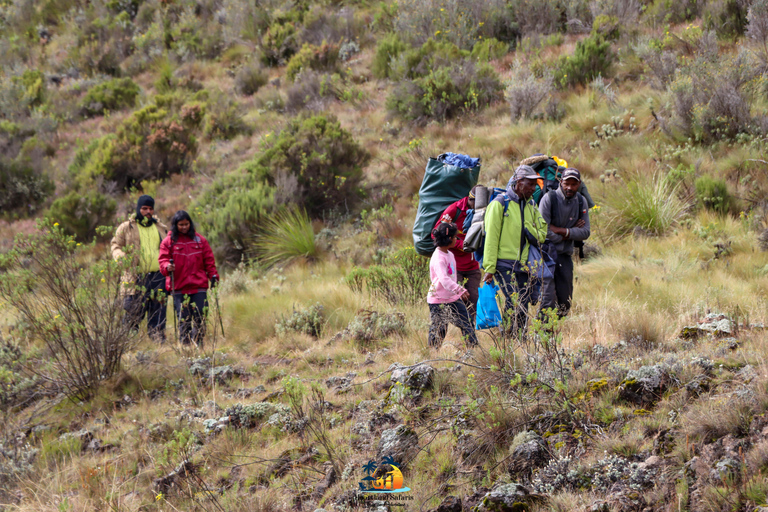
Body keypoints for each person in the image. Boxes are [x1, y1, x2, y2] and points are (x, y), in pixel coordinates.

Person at [482, 165, 548, 339]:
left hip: (524, 264)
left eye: (536, 185)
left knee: (523, 302)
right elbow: (491, 238)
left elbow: (542, 234)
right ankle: (507, 337)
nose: (534, 189)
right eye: (531, 184)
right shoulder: (499, 204)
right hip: (503, 263)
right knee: (515, 299)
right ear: (519, 183)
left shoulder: (532, 205)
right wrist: (489, 267)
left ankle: (518, 338)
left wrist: (529, 230)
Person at [111, 195, 169, 342]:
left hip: (158, 277)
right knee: (133, 313)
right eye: (144, 208)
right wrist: (121, 258)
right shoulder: (127, 227)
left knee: (158, 313)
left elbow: (169, 247)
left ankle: (158, 344)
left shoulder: (160, 227)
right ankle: (127, 344)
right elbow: (115, 245)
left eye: (150, 208)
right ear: (138, 209)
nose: (147, 211)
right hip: (136, 277)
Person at [158, 210, 219, 347]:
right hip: (179, 287)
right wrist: (167, 267)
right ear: (175, 225)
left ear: (190, 224)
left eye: (186, 224)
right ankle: (185, 346)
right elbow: (162, 261)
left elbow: (209, 260)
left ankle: (199, 344)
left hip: (199, 286)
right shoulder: (168, 242)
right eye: (181, 225)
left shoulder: (200, 240)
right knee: (184, 319)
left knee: (200, 316)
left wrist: (213, 276)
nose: (184, 227)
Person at [538, 169, 590, 317]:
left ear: (579, 184)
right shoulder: (549, 198)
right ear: (561, 182)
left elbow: (585, 232)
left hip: (565, 256)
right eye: (567, 183)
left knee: (565, 301)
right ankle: (543, 331)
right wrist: (572, 232)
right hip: (546, 254)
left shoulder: (581, 201)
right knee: (548, 298)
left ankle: (555, 329)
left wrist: (562, 231)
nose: (570, 187)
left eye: (574, 184)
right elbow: (543, 230)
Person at [433, 185, 483, 322]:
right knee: (454, 302)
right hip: (454, 266)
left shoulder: (484, 210)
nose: (478, 209)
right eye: (476, 205)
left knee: (473, 299)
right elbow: (436, 234)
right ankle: (448, 328)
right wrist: (461, 245)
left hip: (473, 265)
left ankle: (469, 333)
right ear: (470, 200)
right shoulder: (454, 210)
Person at [427, 222, 478, 349]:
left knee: (467, 322)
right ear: (449, 239)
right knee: (439, 328)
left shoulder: (450, 254)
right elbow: (444, 279)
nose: (457, 239)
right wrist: (459, 289)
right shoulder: (439, 258)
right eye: (455, 237)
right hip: (438, 300)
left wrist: (456, 292)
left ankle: (474, 350)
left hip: (452, 298)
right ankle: (433, 354)